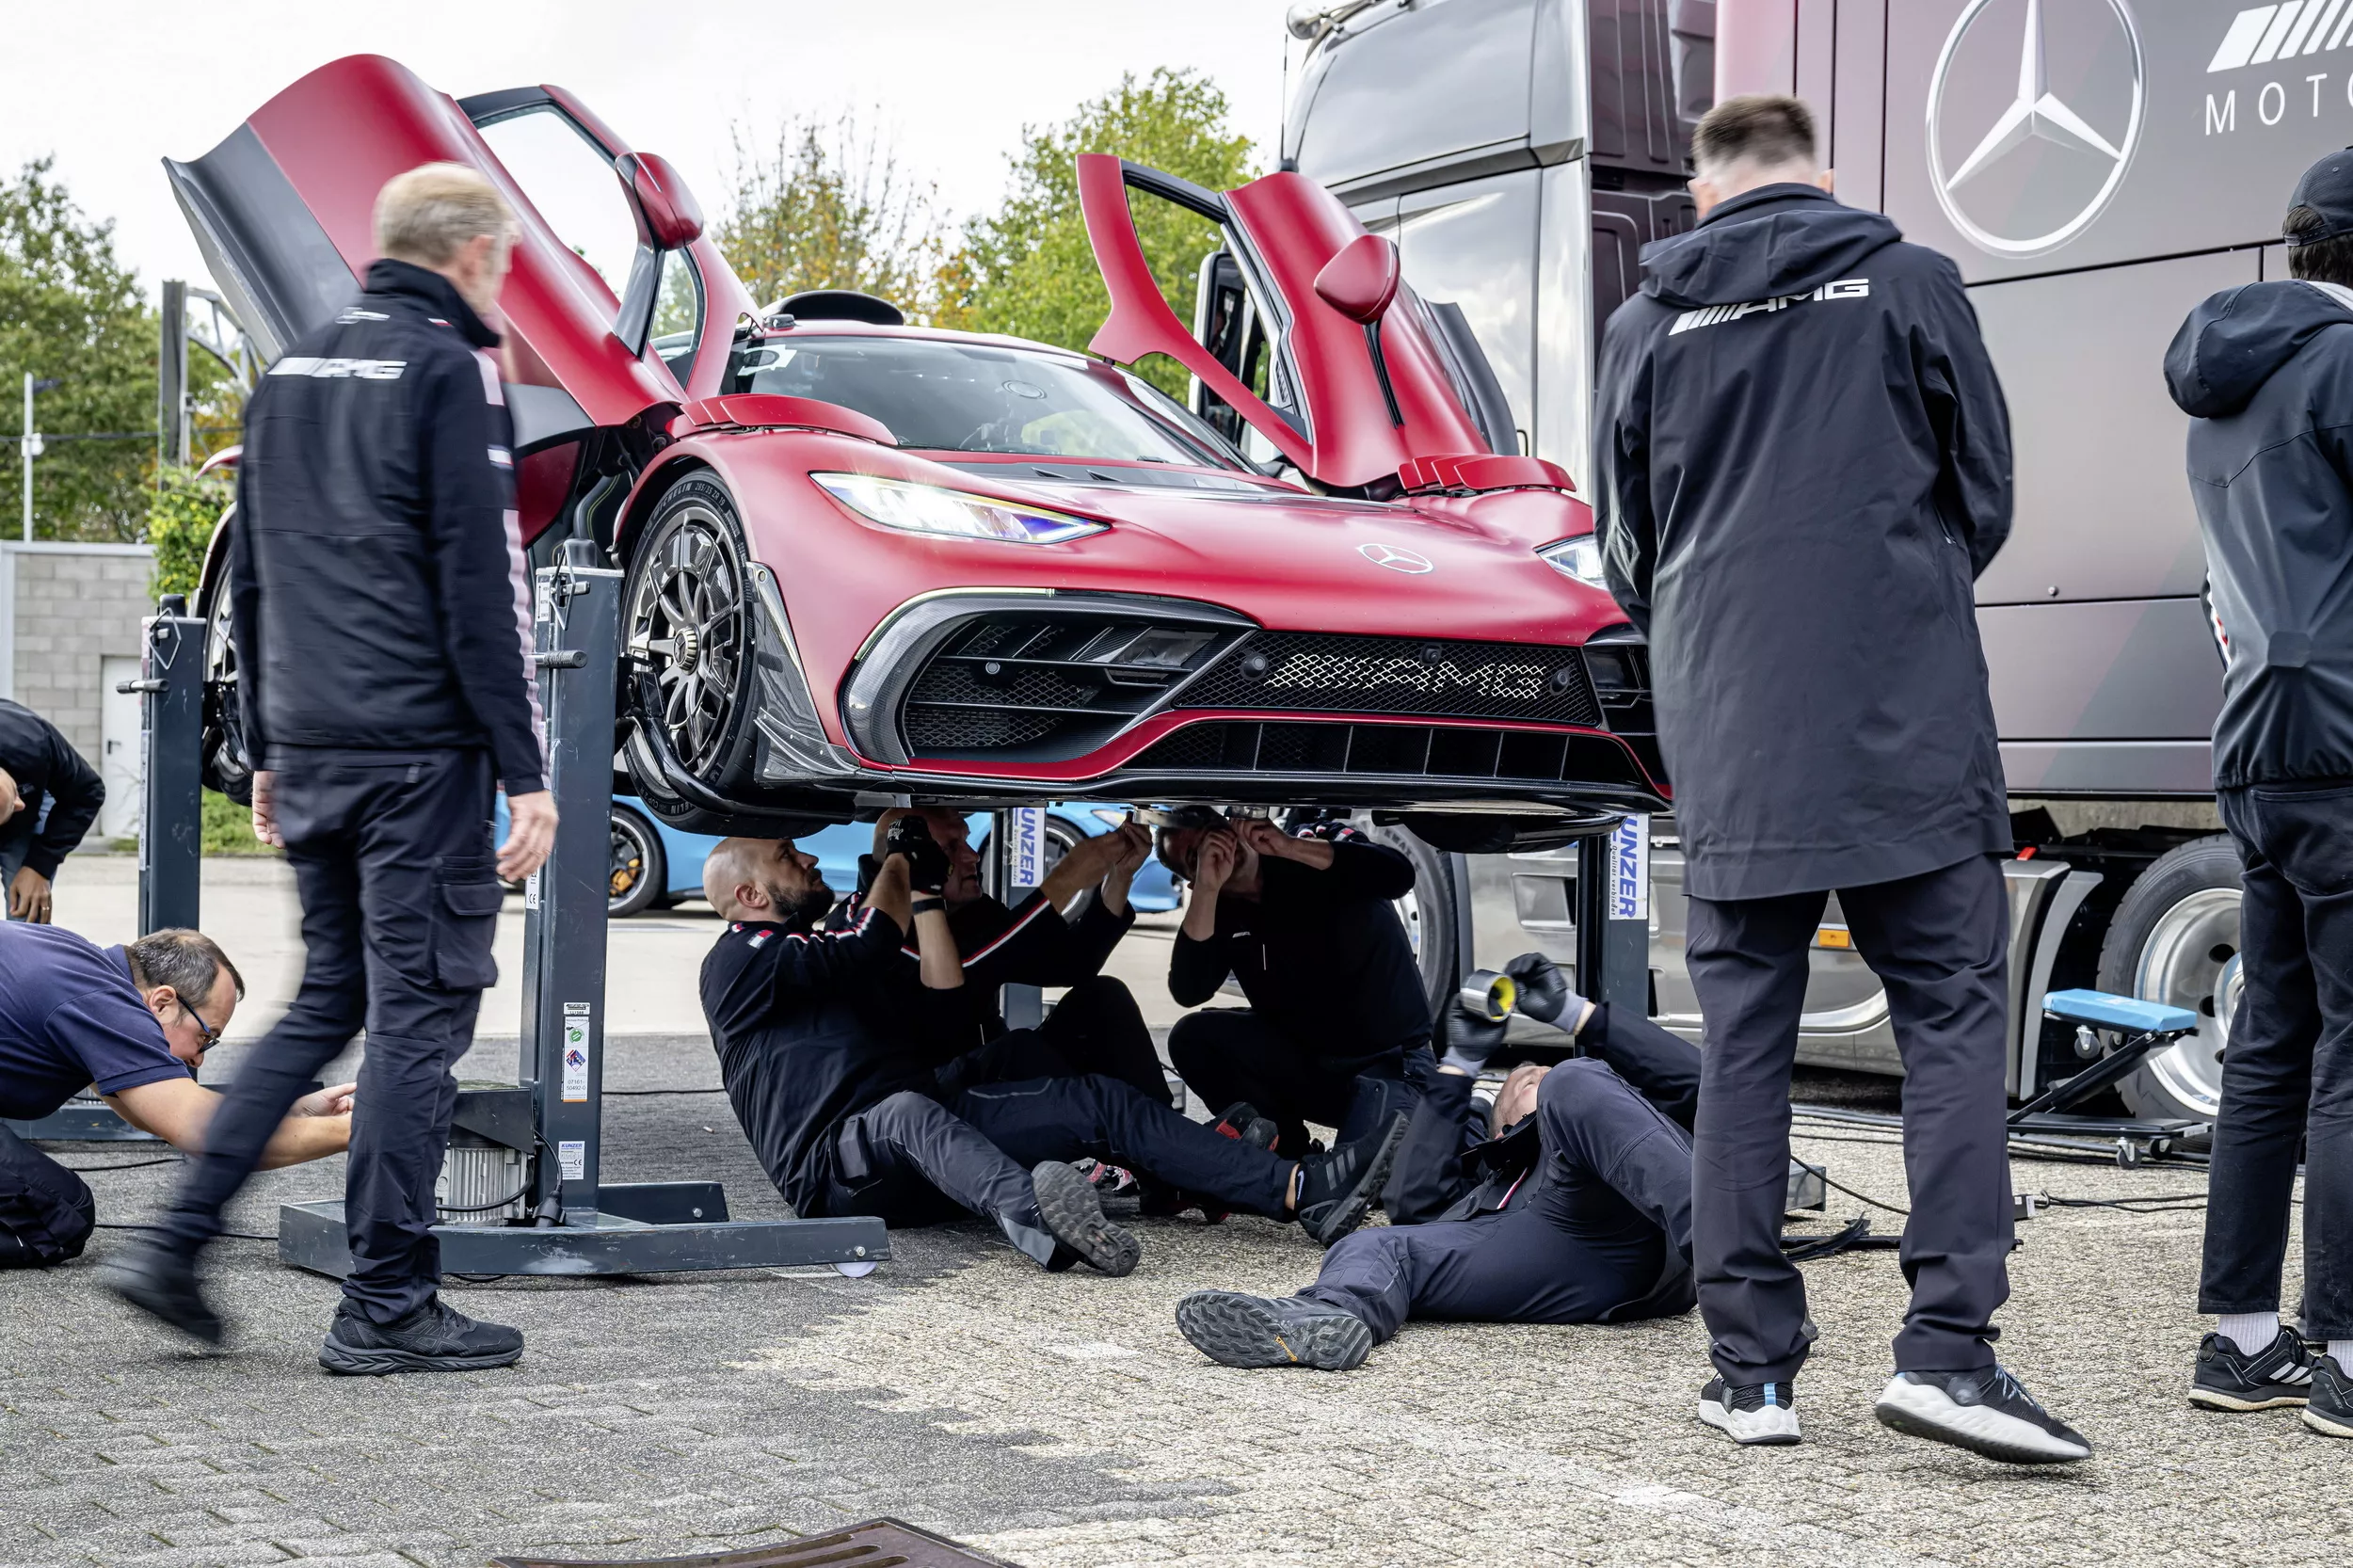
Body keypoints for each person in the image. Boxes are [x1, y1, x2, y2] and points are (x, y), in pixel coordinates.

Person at [1593, 94, 2089, 1463]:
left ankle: (1751, 1375)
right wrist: (1889, 593)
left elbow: (1627, 550)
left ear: (1704, 194)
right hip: (1902, 723)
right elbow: (1983, 492)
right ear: (1818, 175)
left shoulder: (1646, 328)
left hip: (1733, 732)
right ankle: (1948, 1355)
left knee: (1742, 1044)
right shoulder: (1911, 281)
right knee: (1945, 1024)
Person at [104, 163, 557, 1377]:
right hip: (421, 759)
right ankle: (389, 1304)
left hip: (314, 750)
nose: (505, 287)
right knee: (421, 1020)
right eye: (504, 265)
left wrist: (262, 746)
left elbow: (247, 572)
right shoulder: (450, 370)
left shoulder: (289, 371)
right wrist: (528, 769)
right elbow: (483, 587)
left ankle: (175, 1247)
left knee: (329, 1003)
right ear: (468, 255)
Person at [698, 835, 1407, 1275]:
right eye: (789, 857)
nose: (810, 857)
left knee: (1088, 1092)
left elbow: (945, 987)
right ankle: (1042, 1219)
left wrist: (910, 886)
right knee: (908, 1110)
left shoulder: (829, 937)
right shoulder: (741, 957)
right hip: (838, 1168)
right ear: (751, 893)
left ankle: (1295, 1190)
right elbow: (870, 942)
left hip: (921, 1131)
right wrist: (898, 862)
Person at [2162, 149, 2353, 1441]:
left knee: (2273, 1045)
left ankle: (2240, 1338)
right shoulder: (2346, 366)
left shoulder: (2224, 394)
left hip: (2262, 750)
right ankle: (2344, 1349)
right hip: (2348, 737)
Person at [1174, 954, 1700, 1371]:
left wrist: (1573, 1014)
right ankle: (1327, 1319)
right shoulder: (1495, 1175)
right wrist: (1459, 1067)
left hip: (1650, 1221)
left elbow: (1703, 1084)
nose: (1537, 1072)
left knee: (1579, 1081)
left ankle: (1730, 1253)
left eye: (1541, 1071)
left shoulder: (1618, 1108)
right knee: (1372, 1244)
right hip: (1559, 1245)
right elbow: (1414, 1204)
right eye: (1523, 1081)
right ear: (1499, 1128)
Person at [0, 924, 351, 1270]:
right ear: (164, 1002)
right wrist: (358, 1129)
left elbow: (156, 1111)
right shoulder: (104, 1004)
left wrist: (290, 1114)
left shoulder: (77, 962)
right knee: (60, 1215)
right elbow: (202, 1129)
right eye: (205, 1036)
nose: (200, 1058)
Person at [1159, 811, 1433, 1157]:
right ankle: (1286, 1151)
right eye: (1195, 857)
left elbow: (1397, 875)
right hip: (1310, 1065)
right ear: (1191, 879)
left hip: (1388, 1062)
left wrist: (1289, 846)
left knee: (1360, 1179)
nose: (1217, 851)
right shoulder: (1220, 910)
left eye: (1216, 834)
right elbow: (1189, 989)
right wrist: (1208, 889)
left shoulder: (1309, 843)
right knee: (1192, 1037)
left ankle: (1450, 1119)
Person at [860, 808, 1167, 1109]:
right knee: (1020, 1050)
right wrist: (1066, 879)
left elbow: (1073, 964)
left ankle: (1168, 1133)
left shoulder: (972, 911)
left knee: (1102, 997)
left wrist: (1120, 875)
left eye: (965, 841)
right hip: (921, 1103)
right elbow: (966, 970)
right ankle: (1134, 1135)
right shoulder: (869, 926)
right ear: (900, 861)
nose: (972, 855)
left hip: (990, 1066)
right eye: (951, 848)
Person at [0, 696, 106, 924]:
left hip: (29, 799)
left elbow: (88, 793)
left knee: (27, 906)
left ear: (17, 799)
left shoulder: (33, 743)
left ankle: (29, 952)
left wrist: (40, 865)